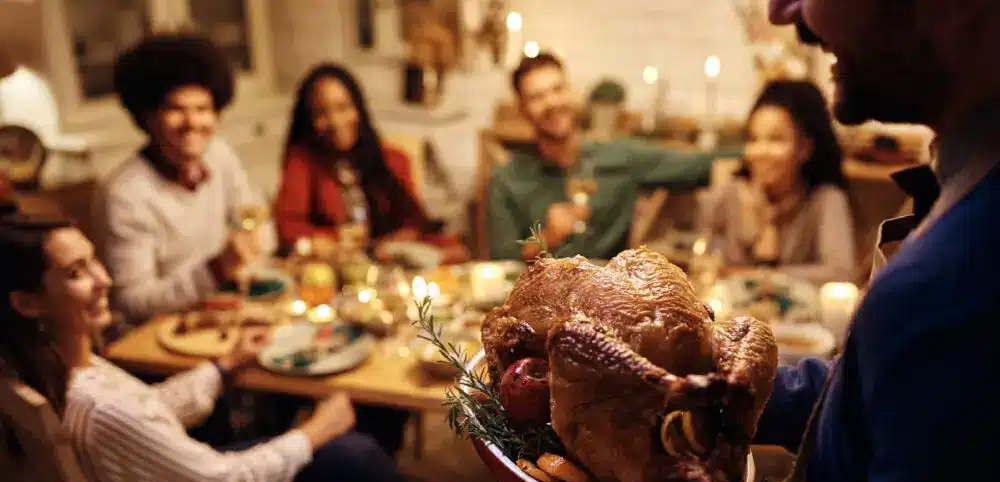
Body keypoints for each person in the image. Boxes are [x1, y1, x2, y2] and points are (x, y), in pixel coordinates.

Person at [751, 1, 1000, 482]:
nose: (780, 12)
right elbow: (875, 399)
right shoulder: (962, 186)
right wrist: (715, 379)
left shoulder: (951, 285)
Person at [0, 214, 409, 482]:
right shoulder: (99, 409)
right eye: (76, 273)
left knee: (341, 454)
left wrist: (223, 367)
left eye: (94, 261)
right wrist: (316, 430)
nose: (103, 279)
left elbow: (146, 412)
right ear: (27, 303)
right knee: (359, 458)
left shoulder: (53, 366)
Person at [95, 33, 275, 323]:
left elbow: (257, 221)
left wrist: (253, 247)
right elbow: (132, 302)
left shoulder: (219, 155)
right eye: (176, 109)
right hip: (162, 331)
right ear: (148, 117)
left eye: (202, 109)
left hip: (222, 312)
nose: (192, 123)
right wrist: (216, 269)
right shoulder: (125, 194)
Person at [489, 53, 728, 261]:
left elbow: (700, 166)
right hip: (541, 294)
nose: (551, 102)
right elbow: (501, 263)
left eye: (557, 90)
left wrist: (748, 153)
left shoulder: (619, 157)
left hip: (609, 293)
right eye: (537, 97)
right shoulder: (507, 180)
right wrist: (546, 237)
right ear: (522, 109)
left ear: (571, 92)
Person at [274, 63, 469, 264]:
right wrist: (336, 240)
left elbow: (414, 222)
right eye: (322, 113)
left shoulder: (393, 159)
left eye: (343, 107)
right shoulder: (302, 161)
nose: (335, 121)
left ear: (358, 108)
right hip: (332, 268)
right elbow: (287, 228)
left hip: (391, 264)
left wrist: (398, 240)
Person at [698, 79, 854, 283]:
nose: (760, 152)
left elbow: (839, 273)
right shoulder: (728, 196)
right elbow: (705, 263)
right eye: (753, 139)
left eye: (775, 139)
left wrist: (758, 277)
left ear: (804, 148)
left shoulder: (825, 199)